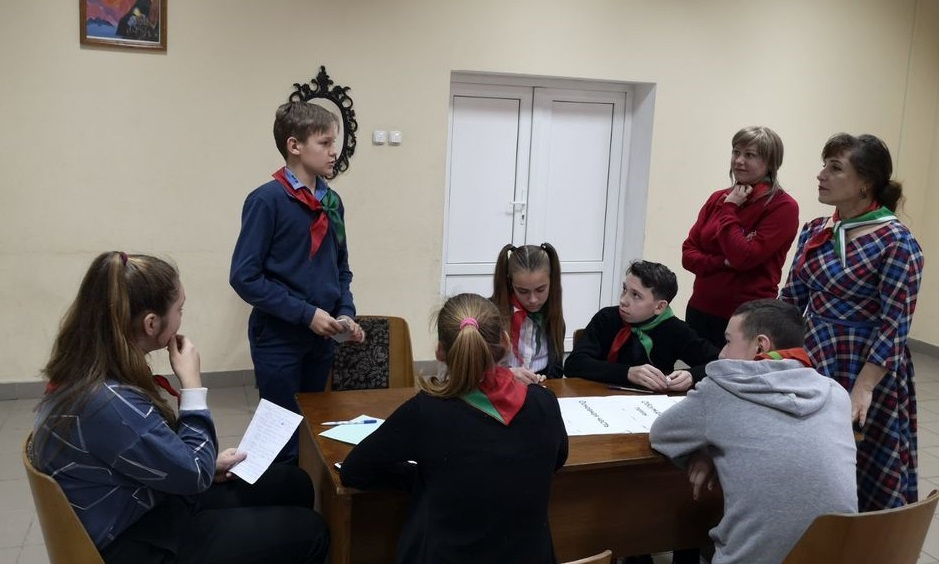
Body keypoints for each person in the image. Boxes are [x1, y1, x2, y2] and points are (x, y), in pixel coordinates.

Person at [30, 252, 328, 563]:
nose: (181, 317)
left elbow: (164, 456)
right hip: (133, 539)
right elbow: (194, 474)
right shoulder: (107, 402)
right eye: (179, 310)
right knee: (311, 531)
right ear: (151, 323)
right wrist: (192, 385)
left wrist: (205, 466)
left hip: (142, 500)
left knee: (293, 483)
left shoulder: (92, 371)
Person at [340, 293, 568, 564]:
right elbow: (557, 458)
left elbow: (355, 470)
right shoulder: (544, 402)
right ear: (506, 343)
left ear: (440, 351)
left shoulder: (427, 412)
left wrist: (421, 477)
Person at [650, 299, 858, 564]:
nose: (721, 354)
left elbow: (661, 434)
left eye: (728, 341)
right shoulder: (836, 394)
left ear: (760, 345)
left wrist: (704, 450)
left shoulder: (722, 391)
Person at [780, 133, 924, 512]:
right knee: (807, 457)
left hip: (866, 365)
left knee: (861, 463)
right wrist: (768, 351)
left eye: (835, 168)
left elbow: (894, 326)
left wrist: (863, 388)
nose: (821, 175)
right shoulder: (816, 230)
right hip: (815, 355)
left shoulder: (896, 242)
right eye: (824, 165)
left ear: (865, 183)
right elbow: (791, 300)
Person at [230, 101, 364, 463]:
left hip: (322, 339)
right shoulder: (266, 200)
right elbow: (244, 277)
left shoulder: (332, 202)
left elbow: (341, 269)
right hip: (279, 339)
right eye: (325, 143)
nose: (334, 151)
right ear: (295, 146)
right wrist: (306, 314)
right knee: (280, 438)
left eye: (334, 142)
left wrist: (345, 313)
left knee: (314, 427)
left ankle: (309, 492)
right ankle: (278, 494)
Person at [682, 126, 800, 348]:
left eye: (749, 155)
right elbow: (688, 255)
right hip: (700, 309)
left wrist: (730, 209)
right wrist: (722, 262)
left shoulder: (782, 206)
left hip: (748, 319)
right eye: (736, 152)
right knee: (698, 369)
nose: (738, 161)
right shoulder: (718, 198)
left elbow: (743, 257)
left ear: (770, 163)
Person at [564, 260, 718, 393]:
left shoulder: (675, 330)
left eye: (635, 295)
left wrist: (691, 376)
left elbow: (720, 364)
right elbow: (574, 364)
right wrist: (627, 373)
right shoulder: (607, 318)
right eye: (624, 289)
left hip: (650, 402)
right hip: (599, 395)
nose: (623, 300)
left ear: (659, 307)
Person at [491, 243, 566, 383]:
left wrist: (545, 379)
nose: (533, 300)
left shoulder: (554, 320)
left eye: (540, 290)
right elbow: (474, 370)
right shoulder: (489, 315)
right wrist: (507, 374)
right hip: (500, 388)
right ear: (510, 283)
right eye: (523, 291)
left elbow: (556, 371)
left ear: (552, 281)